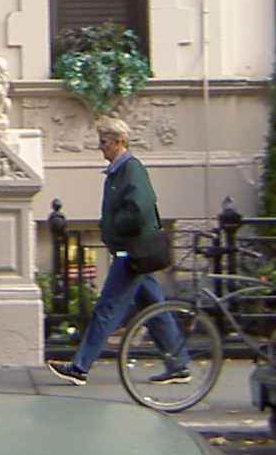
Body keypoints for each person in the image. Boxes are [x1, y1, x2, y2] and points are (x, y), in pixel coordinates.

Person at [47, 116, 188, 385]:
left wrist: (113, 229)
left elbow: (140, 208)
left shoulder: (131, 169)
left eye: (104, 142)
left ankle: (80, 366)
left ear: (119, 142)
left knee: (106, 308)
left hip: (130, 252)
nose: (100, 147)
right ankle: (178, 365)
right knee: (154, 308)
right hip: (135, 251)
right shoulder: (120, 170)